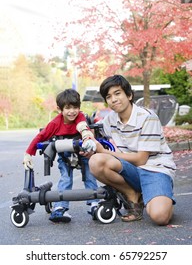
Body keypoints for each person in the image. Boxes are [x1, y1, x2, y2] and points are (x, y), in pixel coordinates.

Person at [89, 75, 177, 226]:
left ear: (129, 95)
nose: (114, 99)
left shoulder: (147, 117)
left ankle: (160, 196)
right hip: (132, 172)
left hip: (155, 170)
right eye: (109, 97)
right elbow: (91, 129)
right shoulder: (110, 119)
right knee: (96, 161)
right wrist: (85, 134)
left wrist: (105, 151)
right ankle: (133, 194)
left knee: (160, 217)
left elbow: (141, 159)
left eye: (118, 93)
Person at [23, 88, 99, 223]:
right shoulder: (55, 123)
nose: (72, 111)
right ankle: (60, 208)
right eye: (68, 108)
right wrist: (28, 153)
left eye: (75, 107)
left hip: (83, 150)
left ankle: (94, 204)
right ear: (60, 109)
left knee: (89, 175)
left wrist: (87, 136)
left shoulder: (80, 117)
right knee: (65, 178)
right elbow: (40, 137)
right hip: (64, 153)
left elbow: (83, 127)